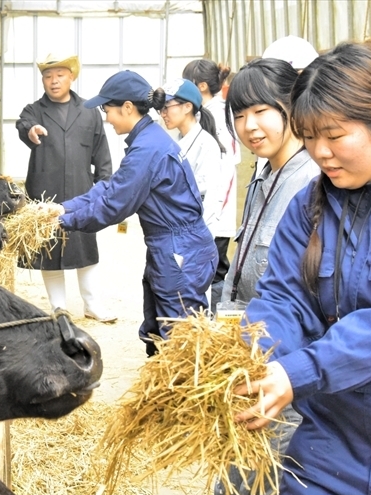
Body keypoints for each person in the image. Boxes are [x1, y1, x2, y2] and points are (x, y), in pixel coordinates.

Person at [233, 42, 371, 495]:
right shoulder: (308, 207)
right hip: (330, 441)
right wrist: (255, 357)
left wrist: (304, 370)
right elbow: (285, 299)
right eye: (309, 136)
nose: (320, 152)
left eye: (334, 135)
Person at [213, 57, 321, 495]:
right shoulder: (261, 174)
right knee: (236, 487)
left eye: (262, 111)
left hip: (283, 359)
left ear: (292, 107)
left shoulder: (314, 181)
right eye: (239, 115)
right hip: (244, 349)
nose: (249, 126)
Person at [51, 70, 218, 356]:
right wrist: (64, 207)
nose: (106, 118)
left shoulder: (147, 149)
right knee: (159, 332)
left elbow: (114, 205)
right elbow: (112, 187)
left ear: (127, 107)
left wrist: (63, 222)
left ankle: (178, 398)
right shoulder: (147, 141)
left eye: (108, 110)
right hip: (173, 247)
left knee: (180, 339)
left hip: (179, 251)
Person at [16, 53, 115, 322]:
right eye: (47, 76)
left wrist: (106, 183)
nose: (53, 81)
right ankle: (58, 307)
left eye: (59, 75)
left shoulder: (88, 111)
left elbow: (101, 151)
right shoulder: (34, 110)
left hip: (81, 192)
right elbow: (23, 124)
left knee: (85, 246)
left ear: (71, 76)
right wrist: (31, 129)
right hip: (44, 192)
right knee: (50, 250)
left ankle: (92, 304)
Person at [160, 77, 230, 307]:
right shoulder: (177, 140)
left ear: (187, 106)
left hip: (196, 237)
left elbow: (212, 198)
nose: (163, 114)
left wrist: (200, 244)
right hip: (177, 233)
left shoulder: (205, 145)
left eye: (167, 107)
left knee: (194, 302)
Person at [182, 59, 239, 311]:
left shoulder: (220, 115)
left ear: (201, 86)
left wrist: (213, 213)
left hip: (215, 210)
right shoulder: (203, 113)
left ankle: (214, 320)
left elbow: (227, 166)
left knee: (214, 269)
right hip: (203, 208)